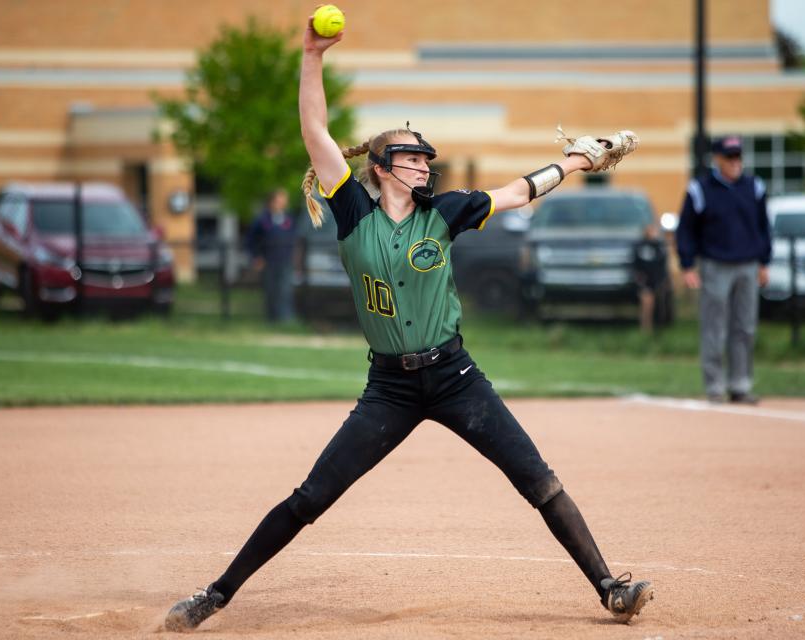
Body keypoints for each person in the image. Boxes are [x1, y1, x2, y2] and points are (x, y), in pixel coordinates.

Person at [165, 14, 652, 632]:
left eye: (427, 158)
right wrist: (311, 55)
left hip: (455, 375)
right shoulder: (352, 212)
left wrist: (577, 163)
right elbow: (314, 128)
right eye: (414, 157)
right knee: (311, 497)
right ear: (382, 165)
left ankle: (610, 588)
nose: (425, 165)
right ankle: (213, 597)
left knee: (537, 478)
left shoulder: (443, 213)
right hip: (389, 388)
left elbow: (516, 192)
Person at [676, 136, 771, 404]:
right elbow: (686, 229)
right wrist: (687, 265)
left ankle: (740, 384)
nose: (735, 162)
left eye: (738, 156)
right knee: (714, 328)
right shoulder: (701, 188)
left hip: (748, 264)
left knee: (745, 327)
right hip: (714, 264)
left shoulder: (754, 187)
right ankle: (715, 386)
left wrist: (764, 262)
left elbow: (764, 227)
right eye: (729, 157)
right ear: (718, 159)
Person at [246, 188, 296, 322]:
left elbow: (294, 239)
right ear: (272, 202)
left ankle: (285, 318)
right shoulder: (262, 220)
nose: (283, 203)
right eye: (279, 200)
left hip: (285, 260)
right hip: (268, 261)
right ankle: (272, 318)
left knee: (285, 290)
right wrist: (256, 257)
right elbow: (251, 240)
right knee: (271, 290)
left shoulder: (289, 219)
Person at [632, 222, 669, 333]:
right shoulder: (640, 246)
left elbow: (663, 265)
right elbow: (635, 264)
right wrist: (638, 278)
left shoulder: (660, 247)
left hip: (658, 280)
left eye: (653, 230)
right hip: (645, 280)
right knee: (647, 303)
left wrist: (664, 279)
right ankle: (645, 328)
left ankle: (659, 328)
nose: (652, 233)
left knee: (660, 305)